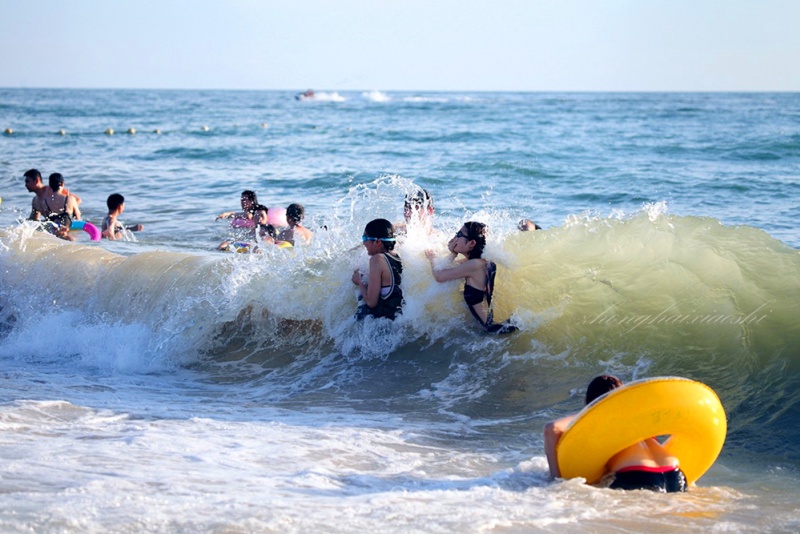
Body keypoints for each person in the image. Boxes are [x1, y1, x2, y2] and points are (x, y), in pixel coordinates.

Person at [543, 375, 688, 493]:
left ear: (589, 402)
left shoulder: (598, 418)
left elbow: (552, 428)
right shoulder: (638, 420)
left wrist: (556, 479)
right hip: (675, 474)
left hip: (636, 475)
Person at [425, 221, 517, 334]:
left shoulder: (474, 265)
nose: (454, 238)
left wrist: (432, 258)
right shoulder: (477, 262)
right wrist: (452, 253)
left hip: (490, 330)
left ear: (471, 243)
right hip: (489, 326)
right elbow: (449, 268)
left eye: (459, 235)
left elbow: (439, 276)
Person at [351, 218, 404, 320]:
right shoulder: (395, 256)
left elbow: (371, 303)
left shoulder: (377, 259)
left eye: (365, 238)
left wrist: (359, 281)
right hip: (397, 315)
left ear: (378, 242)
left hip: (384, 321)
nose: (364, 243)